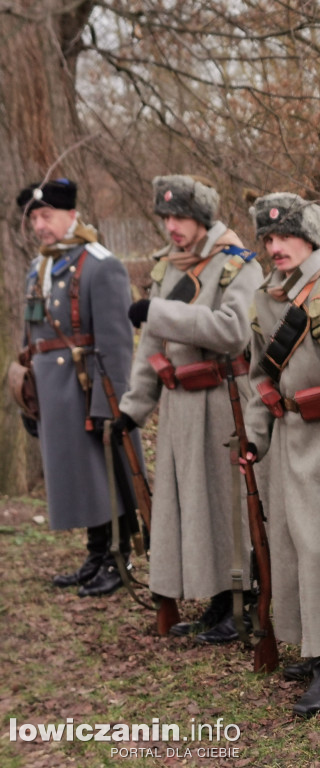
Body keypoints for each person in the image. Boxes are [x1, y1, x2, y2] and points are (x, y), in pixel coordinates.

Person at [117, 175, 263, 642]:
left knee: (225, 507)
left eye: (180, 217)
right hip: (179, 402)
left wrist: (158, 313)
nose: (171, 227)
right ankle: (216, 601)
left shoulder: (237, 265)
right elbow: (151, 348)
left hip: (224, 400)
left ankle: (240, 600)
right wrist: (133, 408)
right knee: (191, 510)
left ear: (203, 219)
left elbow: (232, 330)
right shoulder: (168, 267)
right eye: (166, 218)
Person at [242, 192, 320, 717]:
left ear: (310, 238)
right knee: (294, 548)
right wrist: (254, 438)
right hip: (288, 435)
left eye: (287, 236)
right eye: (269, 238)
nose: (276, 246)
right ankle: (316, 645)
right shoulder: (265, 298)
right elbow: (260, 380)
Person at [15, 178, 138, 597]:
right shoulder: (41, 266)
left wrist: (112, 404)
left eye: (46, 215)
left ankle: (119, 558)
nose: (39, 225)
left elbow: (118, 344)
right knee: (82, 477)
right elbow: (29, 335)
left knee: (105, 470)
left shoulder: (101, 264)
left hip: (89, 386)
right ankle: (96, 552)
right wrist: (26, 394)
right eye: (34, 217)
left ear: (71, 214)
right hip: (53, 390)